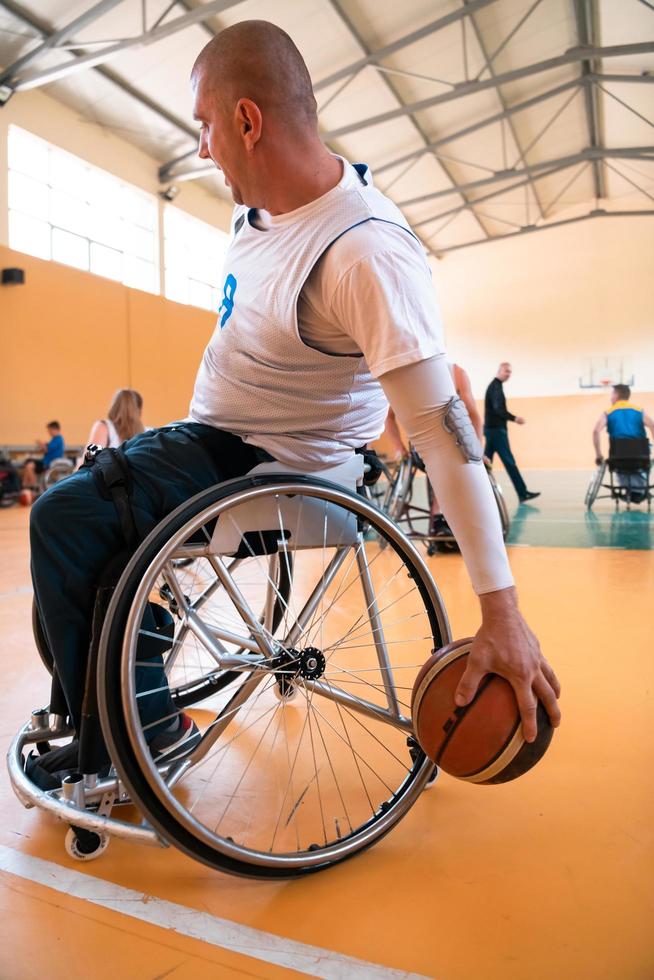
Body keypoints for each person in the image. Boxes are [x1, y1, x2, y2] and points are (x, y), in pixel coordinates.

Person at [29, 21, 560, 772]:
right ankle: (129, 707)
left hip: (271, 464)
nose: (202, 148)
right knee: (75, 501)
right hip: (208, 439)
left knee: (62, 520)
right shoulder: (258, 214)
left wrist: (501, 611)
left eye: (206, 126)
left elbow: (444, 432)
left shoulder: (364, 251)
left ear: (248, 121)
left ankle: (135, 739)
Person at [383, 362, 486, 540]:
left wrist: (478, 449)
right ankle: (439, 515)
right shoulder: (406, 373)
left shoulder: (458, 373)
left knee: (457, 462)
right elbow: (389, 417)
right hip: (423, 445)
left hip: (455, 441)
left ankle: (461, 517)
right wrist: (399, 447)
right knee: (445, 463)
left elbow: (474, 415)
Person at [484, 363, 539, 502]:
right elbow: (498, 409)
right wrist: (515, 418)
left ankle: (479, 494)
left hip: (492, 431)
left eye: (510, 372)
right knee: (509, 461)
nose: (508, 374)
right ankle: (522, 493)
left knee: (485, 464)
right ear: (499, 371)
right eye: (506, 371)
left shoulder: (496, 386)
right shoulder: (495, 387)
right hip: (496, 432)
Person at [593, 384, 654, 501]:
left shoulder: (608, 412)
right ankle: (639, 490)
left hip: (618, 456)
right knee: (644, 457)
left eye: (612, 394)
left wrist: (598, 454)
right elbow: (652, 425)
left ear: (616, 395)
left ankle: (631, 490)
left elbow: (596, 431)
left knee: (620, 464)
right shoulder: (639, 411)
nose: (611, 398)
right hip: (641, 456)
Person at [83, 389, 145, 453]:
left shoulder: (104, 427)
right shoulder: (147, 432)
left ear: (114, 406)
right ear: (139, 410)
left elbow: (90, 459)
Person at [22, 421, 65, 489]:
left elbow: (47, 449)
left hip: (49, 463)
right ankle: (25, 485)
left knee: (29, 466)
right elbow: (48, 449)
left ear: (55, 429)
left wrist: (40, 443)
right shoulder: (54, 439)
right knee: (27, 463)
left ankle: (33, 486)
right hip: (45, 461)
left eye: (49, 430)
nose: (49, 432)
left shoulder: (58, 439)